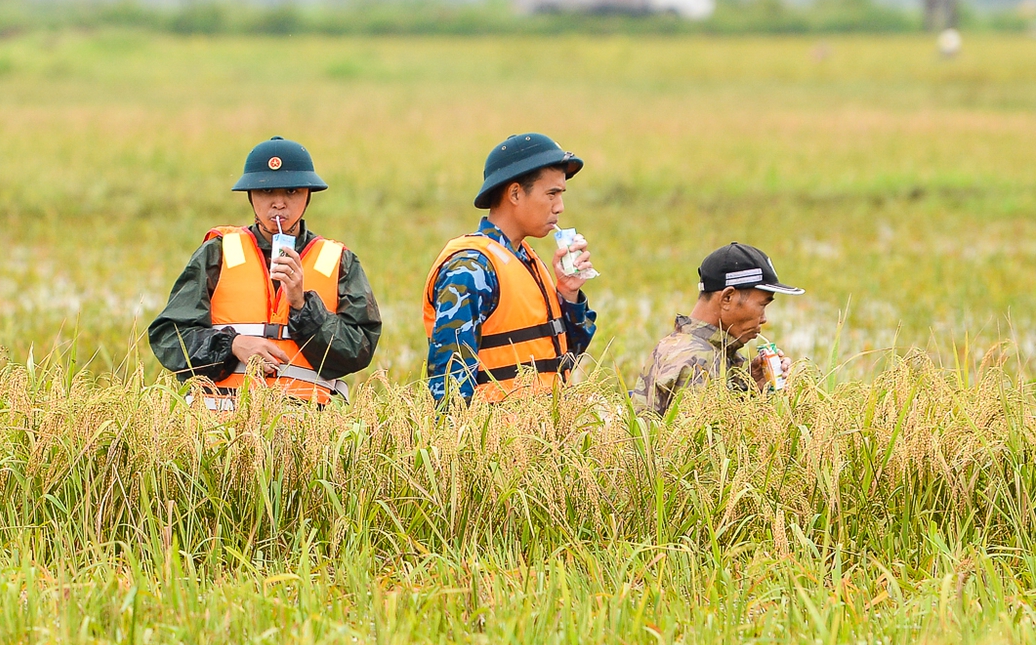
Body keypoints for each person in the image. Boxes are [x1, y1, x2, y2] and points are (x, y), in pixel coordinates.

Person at [148, 136, 381, 409]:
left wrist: (302, 307)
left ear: (308, 196)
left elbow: (358, 350)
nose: (279, 203)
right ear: (250, 196)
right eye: (266, 191)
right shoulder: (218, 252)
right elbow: (170, 338)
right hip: (221, 431)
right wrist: (233, 345)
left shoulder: (338, 260)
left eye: (292, 191)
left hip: (307, 430)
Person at [423, 133, 597, 404]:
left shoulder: (527, 259)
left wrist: (568, 294)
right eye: (552, 194)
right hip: (498, 438)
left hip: (541, 435)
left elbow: (562, 358)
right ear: (515, 193)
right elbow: (450, 383)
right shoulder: (470, 268)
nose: (560, 207)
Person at [630, 243, 803, 417]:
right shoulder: (698, 360)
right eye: (762, 305)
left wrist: (749, 385)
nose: (764, 318)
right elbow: (699, 441)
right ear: (727, 297)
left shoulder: (693, 347)